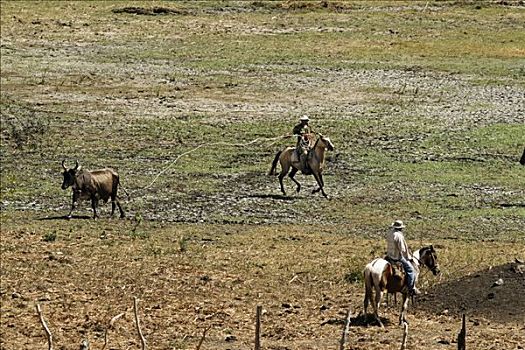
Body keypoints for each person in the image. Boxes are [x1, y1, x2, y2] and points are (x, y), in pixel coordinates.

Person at [386, 220, 420, 296]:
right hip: (396, 257)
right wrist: (409, 257)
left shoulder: (390, 233)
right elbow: (403, 250)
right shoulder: (399, 236)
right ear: (400, 228)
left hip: (389, 255)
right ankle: (410, 288)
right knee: (411, 270)